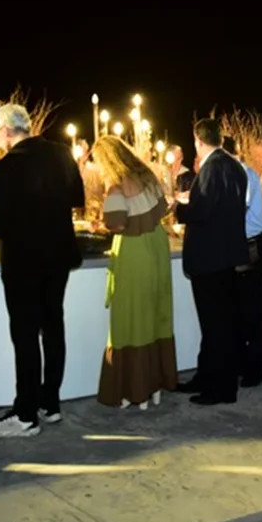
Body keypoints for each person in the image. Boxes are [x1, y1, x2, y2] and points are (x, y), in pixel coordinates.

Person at [0, 104, 85, 436]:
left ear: (7, 131)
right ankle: (49, 403)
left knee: (24, 334)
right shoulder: (62, 154)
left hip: (23, 261)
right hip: (58, 255)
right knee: (53, 326)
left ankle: (25, 414)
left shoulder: (5, 167)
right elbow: (76, 197)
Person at [88, 135, 177, 410]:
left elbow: (116, 223)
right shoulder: (149, 176)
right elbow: (164, 207)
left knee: (129, 320)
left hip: (133, 252)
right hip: (157, 247)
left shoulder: (116, 187)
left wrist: (96, 226)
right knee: (156, 315)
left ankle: (133, 390)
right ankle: (156, 386)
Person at [174, 118, 249, 405]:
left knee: (216, 326)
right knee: (219, 323)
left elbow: (202, 209)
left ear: (198, 141)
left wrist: (181, 208)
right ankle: (206, 377)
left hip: (209, 258)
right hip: (227, 256)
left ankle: (221, 388)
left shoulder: (212, 167)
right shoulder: (234, 166)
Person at [223, 135, 262, 388]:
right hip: (242, 244)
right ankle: (244, 364)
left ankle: (255, 368)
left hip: (253, 246)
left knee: (252, 310)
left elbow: (236, 210)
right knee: (240, 309)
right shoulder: (235, 174)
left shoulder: (242, 173)